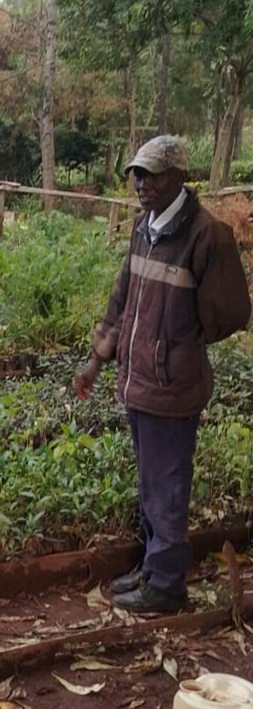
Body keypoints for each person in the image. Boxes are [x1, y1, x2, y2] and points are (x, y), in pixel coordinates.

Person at [75, 134, 251, 614]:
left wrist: (176, 343)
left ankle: (168, 586)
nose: (140, 183)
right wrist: (97, 360)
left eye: (150, 174)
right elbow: (120, 300)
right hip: (138, 383)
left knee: (168, 485)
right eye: (136, 173)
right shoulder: (143, 229)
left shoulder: (206, 236)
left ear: (177, 178)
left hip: (173, 386)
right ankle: (155, 568)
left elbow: (233, 311)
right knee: (151, 483)